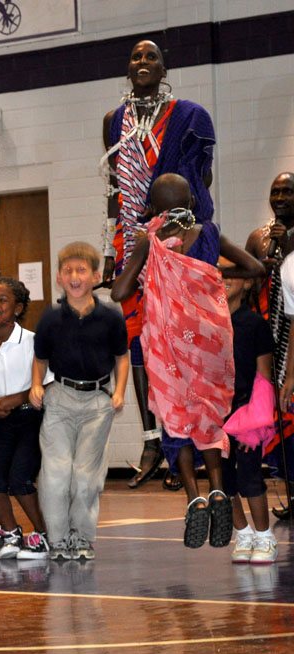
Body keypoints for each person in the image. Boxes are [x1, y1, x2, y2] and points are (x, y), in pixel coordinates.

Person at [111, 173, 264, 549]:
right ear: (191, 202)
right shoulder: (209, 233)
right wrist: (212, 272)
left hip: (169, 342)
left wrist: (152, 267)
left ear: (154, 206)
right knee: (209, 414)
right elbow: (256, 269)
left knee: (176, 416)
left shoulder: (152, 240)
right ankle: (216, 489)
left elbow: (120, 291)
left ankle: (194, 494)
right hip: (209, 340)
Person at [101, 39, 216, 488]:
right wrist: (114, 250)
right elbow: (115, 190)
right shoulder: (114, 121)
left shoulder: (190, 115)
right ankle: (154, 441)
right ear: (127, 68)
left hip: (177, 239)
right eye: (135, 57)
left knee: (180, 337)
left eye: (151, 56)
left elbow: (201, 179)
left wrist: (178, 225)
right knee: (139, 338)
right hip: (133, 240)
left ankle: (184, 438)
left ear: (164, 65)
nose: (143, 62)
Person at [30, 242, 129, 561]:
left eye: (81, 270)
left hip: (98, 403)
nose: (74, 276)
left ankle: (82, 537)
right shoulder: (51, 317)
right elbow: (40, 358)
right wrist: (35, 385)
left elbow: (122, 356)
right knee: (57, 474)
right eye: (68, 271)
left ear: (96, 275)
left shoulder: (110, 315)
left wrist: (119, 391)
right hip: (60, 399)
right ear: (59, 277)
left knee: (86, 477)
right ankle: (58, 539)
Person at [0, 278, 51, 559]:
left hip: (32, 419)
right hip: (2, 421)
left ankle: (43, 533)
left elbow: (46, 383)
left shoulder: (31, 342)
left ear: (17, 308)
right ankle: (11, 533)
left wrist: (13, 400)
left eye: (1, 300)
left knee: (20, 479)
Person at [223, 264, 279, 564]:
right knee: (223, 480)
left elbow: (263, 377)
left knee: (249, 477)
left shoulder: (254, 323)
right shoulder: (209, 321)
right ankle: (242, 534)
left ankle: (264, 537)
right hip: (216, 415)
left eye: (232, 275)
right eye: (219, 276)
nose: (225, 280)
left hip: (246, 414)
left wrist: (254, 424)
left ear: (247, 284)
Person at [246, 172, 294, 520]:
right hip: (269, 336)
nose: (280, 197)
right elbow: (247, 284)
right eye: (275, 191)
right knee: (279, 418)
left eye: (288, 191)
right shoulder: (259, 238)